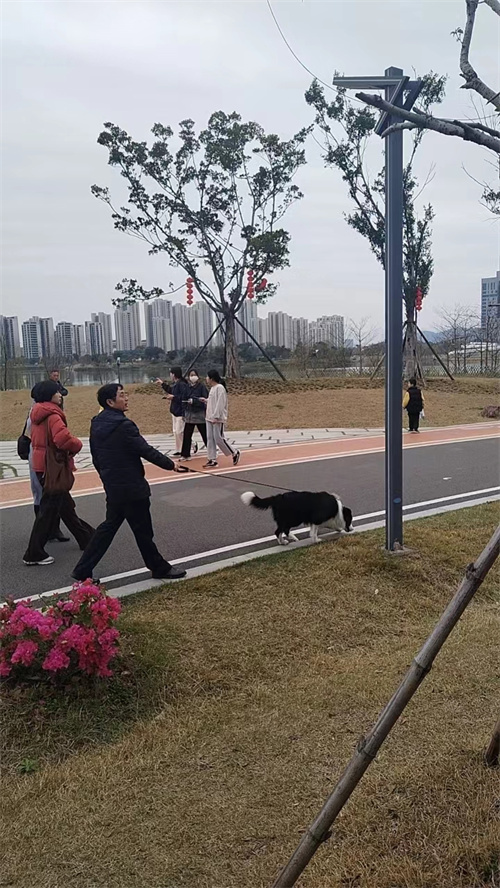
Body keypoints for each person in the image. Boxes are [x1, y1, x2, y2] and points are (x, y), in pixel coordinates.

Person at [72, 383, 187, 582]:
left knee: (108, 529)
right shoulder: (124, 425)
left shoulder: (97, 423)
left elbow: (96, 457)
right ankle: (158, 567)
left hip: (114, 486)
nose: (126, 398)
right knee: (142, 531)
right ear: (110, 402)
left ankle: (82, 570)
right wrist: (171, 465)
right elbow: (145, 450)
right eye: (122, 395)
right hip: (132, 487)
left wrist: (106, 477)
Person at [23, 381, 94, 566]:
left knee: (64, 504)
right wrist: (77, 444)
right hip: (52, 467)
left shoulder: (37, 411)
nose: (60, 395)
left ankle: (86, 537)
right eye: (57, 392)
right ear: (49, 395)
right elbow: (62, 438)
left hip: (41, 465)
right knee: (49, 509)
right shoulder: (53, 414)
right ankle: (33, 553)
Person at [202, 369, 240, 469]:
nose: (206, 379)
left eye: (207, 377)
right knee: (210, 438)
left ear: (211, 378)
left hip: (217, 418)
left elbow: (220, 404)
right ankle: (212, 459)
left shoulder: (220, 388)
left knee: (218, 438)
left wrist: (216, 416)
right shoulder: (213, 388)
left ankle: (234, 452)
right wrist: (206, 401)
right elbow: (213, 401)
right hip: (209, 417)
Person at [155, 367, 189, 457]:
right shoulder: (175, 383)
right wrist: (162, 384)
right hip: (174, 410)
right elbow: (171, 390)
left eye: (170, 373)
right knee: (175, 432)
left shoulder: (182, 384)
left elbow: (183, 398)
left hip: (180, 411)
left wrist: (173, 397)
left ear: (174, 374)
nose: (170, 375)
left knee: (179, 432)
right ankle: (178, 449)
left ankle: (190, 445)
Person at [180, 369, 208, 461]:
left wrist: (195, 401)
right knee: (187, 435)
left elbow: (205, 400)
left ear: (198, 376)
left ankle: (211, 451)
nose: (192, 377)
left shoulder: (202, 387)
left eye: (194, 375)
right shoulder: (186, 387)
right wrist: (184, 411)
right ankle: (185, 455)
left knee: (205, 434)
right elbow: (183, 399)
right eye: (191, 375)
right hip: (189, 414)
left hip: (200, 414)